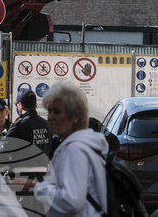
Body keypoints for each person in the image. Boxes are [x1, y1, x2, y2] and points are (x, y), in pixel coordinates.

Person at [33, 82, 108, 217]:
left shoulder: (75, 149)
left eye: (57, 111)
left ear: (75, 117)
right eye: (49, 111)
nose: (50, 117)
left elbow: (71, 201)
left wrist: (35, 188)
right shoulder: (84, 145)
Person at [6, 90, 52, 157]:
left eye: (16, 105)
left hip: (22, 166)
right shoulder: (46, 124)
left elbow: (4, 147)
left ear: (20, 105)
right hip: (44, 166)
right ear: (36, 105)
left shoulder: (19, 125)